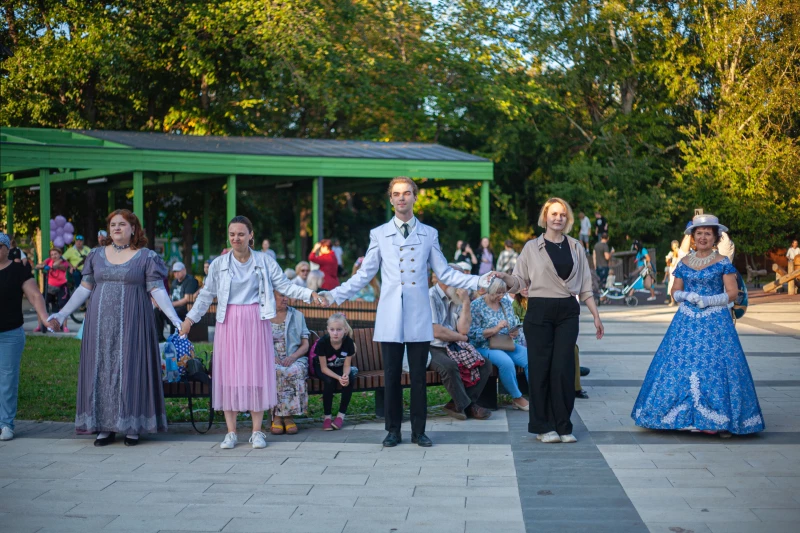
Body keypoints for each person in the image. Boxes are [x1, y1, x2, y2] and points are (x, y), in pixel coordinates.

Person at [319, 176, 493, 448]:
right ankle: (392, 431)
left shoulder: (429, 233)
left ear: (414, 197)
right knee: (391, 376)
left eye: (407, 193)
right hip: (390, 316)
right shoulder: (379, 233)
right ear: (391, 199)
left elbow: (445, 272)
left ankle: (419, 432)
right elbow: (364, 275)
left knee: (418, 377)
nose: (402, 198)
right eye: (397, 194)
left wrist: (480, 280)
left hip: (419, 315)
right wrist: (333, 295)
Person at [47, 210, 184, 446]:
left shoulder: (146, 256)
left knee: (131, 368)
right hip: (99, 324)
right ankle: (104, 427)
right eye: (113, 225)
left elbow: (157, 290)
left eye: (122, 224)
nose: (117, 228)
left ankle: (132, 426)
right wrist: (61, 314)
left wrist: (175, 319)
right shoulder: (96, 255)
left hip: (134, 321)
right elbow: (84, 288)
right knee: (101, 369)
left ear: (134, 229)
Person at [180, 216, 318, 450]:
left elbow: (284, 286)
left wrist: (309, 294)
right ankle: (231, 432)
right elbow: (206, 295)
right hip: (228, 322)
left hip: (256, 321)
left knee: (256, 375)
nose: (236, 238)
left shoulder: (264, 261)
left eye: (241, 234)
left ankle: (257, 432)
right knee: (229, 376)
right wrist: (189, 319)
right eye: (232, 234)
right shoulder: (219, 264)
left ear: (251, 235)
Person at [632, 214, 764, 436]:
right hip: (686, 320)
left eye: (708, 234)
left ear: (715, 237)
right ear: (693, 237)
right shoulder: (684, 262)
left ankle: (716, 418)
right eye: (699, 233)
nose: (703, 237)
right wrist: (685, 295)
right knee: (679, 364)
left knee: (714, 366)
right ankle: (680, 416)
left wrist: (711, 300)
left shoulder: (723, 262)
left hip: (715, 321)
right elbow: (674, 291)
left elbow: (733, 292)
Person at [498, 197, 604, 444]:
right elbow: (520, 281)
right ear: (545, 217)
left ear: (567, 219)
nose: (558, 218)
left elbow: (585, 286)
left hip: (568, 311)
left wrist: (596, 316)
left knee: (564, 369)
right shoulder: (531, 247)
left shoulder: (576, 247)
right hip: (539, 310)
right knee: (540, 368)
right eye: (554, 214)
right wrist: (505, 277)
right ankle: (542, 426)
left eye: (562, 214)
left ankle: (563, 425)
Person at [0, 233, 51, 441]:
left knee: (7, 380)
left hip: (10, 333)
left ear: (7, 248)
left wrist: (45, 318)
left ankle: (6, 424)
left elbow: (34, 295)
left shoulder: (17, 270)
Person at [428, 264, 492, 421]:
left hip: (452, 345)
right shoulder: (430, 296)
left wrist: (466, 302)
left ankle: (457, 404)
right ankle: (468, 406)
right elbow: (436, 331)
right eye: (458, 279)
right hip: (431, 346)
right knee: (449, 366)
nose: (461, 283)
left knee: (484, 364)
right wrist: (461, 338)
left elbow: (463, 329)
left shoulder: (456, 297)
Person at [468, 278, 530, 411]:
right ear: (488, 290)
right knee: (506, 362)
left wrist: (514, 331)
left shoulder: (505, 303)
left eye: (503, 292)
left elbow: (512, 322)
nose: (500, 296)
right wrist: (495, 329)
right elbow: (472, 333)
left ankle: (537, 394)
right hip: (484, 345)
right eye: (497, 293)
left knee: (530, 357)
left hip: (505, 343)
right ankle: (517, 397)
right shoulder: (476, 305)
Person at [269, 290, 310, 435]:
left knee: (294, 370)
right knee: (275, 370)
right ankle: (279, 416)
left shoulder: (297, 315)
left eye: (287, 295)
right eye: (281, 295)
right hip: (269, 358)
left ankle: (286, 417)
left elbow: (305, 344)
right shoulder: (263, 315)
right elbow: (256, 342)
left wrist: (293, 357)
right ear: (271, 296)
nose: (285, 298)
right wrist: (270, 356)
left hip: (294, 357)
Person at [312, 313, 358, 431]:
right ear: (328, 329)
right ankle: (327, 417)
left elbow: (346, 365)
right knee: (329, 381)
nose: (335, 333)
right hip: (323, 368)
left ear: (345, 329)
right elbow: (324, 368)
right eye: (332, 330)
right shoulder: (323, 343)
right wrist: (338, 377)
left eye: (339, 329)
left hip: (339, 366)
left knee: (349, 379)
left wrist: (345, 375)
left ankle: (340, 416)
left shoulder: (348, 343)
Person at [34, 248, 70, 332]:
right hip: (50, 287)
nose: (54, 256)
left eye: (55, 254)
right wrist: (43, 266)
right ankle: (40, 325)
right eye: (52, 255)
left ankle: (65, 326)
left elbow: (57, 266)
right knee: (40, 303)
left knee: (63, 305)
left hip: (61, 286)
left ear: (60, 254)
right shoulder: (48, 260)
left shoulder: (64, 262)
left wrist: (56, 262)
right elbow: (37, 266)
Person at [167, 261, 199, 333]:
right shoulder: (174, 282)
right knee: (157, 312)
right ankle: (160, 337)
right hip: (174, 306)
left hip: (186, 307)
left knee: (174, 312)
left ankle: (175, 336)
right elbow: (170, 296)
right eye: (174, 272)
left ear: (184, 270)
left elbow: (186, 299)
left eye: (178, 271)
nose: (176, 273)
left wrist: (171, 305)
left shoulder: (190, 281)